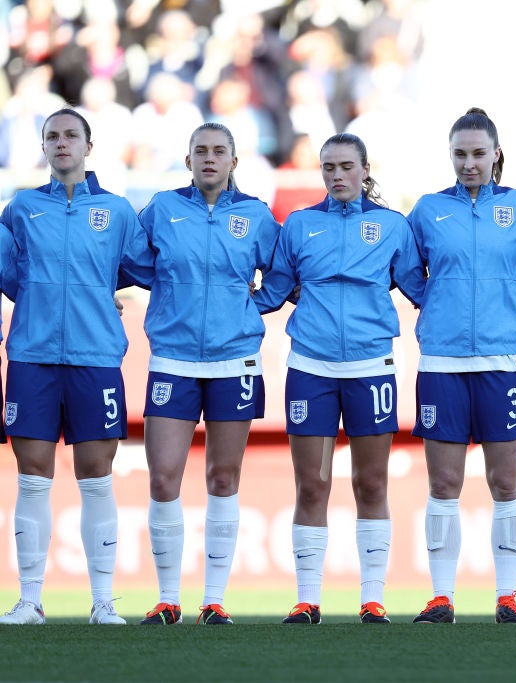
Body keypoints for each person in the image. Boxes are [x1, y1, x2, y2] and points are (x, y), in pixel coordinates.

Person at [253, 132, 424, 625]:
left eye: (346, 166)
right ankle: (308, 599)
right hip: (310, 366)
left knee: (371, 483)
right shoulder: (300, 225)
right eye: (328, 167)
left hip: (372, 367)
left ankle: (373, 599)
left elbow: (420, 288)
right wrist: (228, 301)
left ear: (366, 170)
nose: (337, 175)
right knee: (312, 483)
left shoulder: (392, 226)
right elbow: (275, 290)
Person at [0, 108, 153, 625]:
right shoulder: (21, 209)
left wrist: (90, 298)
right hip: (32, 357)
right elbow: (8, 272)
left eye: (70, 135)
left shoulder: (117, 211)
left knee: (95, 474)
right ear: (42, 148)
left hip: (96, 358)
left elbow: (142, 268)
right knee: (33, 475)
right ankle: (29, 600)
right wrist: (48, 302)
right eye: (52, 136)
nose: (61, 143)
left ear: (89, 146)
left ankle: (103, 603)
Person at [405, 108, 516, 624]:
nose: (469, 163)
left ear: (496, 155)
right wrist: (441, 304)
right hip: (442, 362)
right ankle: (442, 596)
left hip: (502, 362)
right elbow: (407, 272)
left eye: (478, 153)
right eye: (460, 154)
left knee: (505, 482)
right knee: (444, 484)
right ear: (451, 157)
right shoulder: (426, 212)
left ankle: (507, 596)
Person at [136, 122, 280, 626]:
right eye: (201, 151)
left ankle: (214, 599)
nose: (210, 159)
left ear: (235, 162)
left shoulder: (257, 216)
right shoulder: (162, 210)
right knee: (164, 476)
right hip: (173, 358)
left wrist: (251, 307)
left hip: (234, 358)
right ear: (188, 159)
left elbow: (282, 274)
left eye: (220, 151)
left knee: (223, 475)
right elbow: (130, 261)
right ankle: (168, 597)